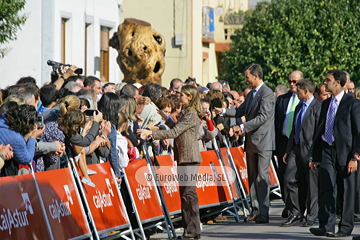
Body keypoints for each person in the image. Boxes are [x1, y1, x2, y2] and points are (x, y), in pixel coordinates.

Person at [138, 85, 203, 239]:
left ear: (190, 97)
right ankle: (190, 229)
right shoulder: (187, 113)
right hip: (184, 157)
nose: (179, 97)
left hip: (189, 158)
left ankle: (193, 229)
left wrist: (151, 133)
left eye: (182, 95)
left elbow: (174, 133)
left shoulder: (191, 114)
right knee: (186, 194)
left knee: (189, 194)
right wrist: (167, 119)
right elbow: (179, 129)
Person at [214, 63, 276, 224]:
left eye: (247, 76)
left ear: (256, 76)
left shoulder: (267, 94)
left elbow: (262, 117)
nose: (245, 79)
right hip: (251, 142)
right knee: (252, 176)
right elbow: (240, 111)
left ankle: (264, 211)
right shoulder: (251, 94)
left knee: (262, 177)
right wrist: (223, 111)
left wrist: (241, 127)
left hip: (263, 142)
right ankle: (255, 209)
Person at [309, 70, 360, 238]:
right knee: (326, 187)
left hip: (345, 153)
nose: (325, 83)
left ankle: (345, 228)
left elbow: (358, 133)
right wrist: (315, 156)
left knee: (346, 190)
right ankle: (326, 225)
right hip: (327, 150)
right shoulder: (326, 103)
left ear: (337, 82)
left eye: (328, 80)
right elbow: (320, 129)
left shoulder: (352, 103)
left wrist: (355, 157)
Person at [280, 79, 321, 227]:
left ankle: (311, 215)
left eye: (298, 90)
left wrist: (315, 155)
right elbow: (293, 130)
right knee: (289, 179)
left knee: (311, 184)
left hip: (309, 150)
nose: (296, 93)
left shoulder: (317, 107)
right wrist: (288, 149)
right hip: (295, 149)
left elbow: (318, 133)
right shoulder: (298, 107)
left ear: (305, 91)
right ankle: (295, 212)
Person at [274, 70, 303, 218]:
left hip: (300, 142)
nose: (292, 84)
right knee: (283, 175)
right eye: (290, 81)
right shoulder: (282, 99)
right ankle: (289, 206)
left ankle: (299, 207)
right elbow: (276, 122)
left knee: (297, 177)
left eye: (295, 82)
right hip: (283, 141)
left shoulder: (306, 100)